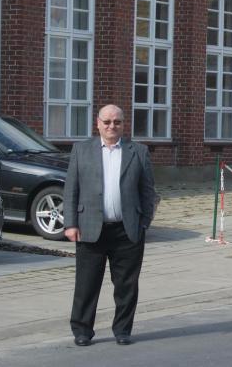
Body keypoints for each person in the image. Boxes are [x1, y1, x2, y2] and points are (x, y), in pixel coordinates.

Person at [63, 104, 156, 347]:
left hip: (127, 230)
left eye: (117, 122)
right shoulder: (81, 150)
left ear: (124, 124)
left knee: (126, 285)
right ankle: (82, 330)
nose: (111, 126)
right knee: (86, 284)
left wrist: (144, 221)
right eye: (107, 122)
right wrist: (70, 224)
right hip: (90, 228)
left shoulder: (139, 151)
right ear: (98, 124)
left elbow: (147, 191)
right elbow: (71, 190)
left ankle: (123, 330)